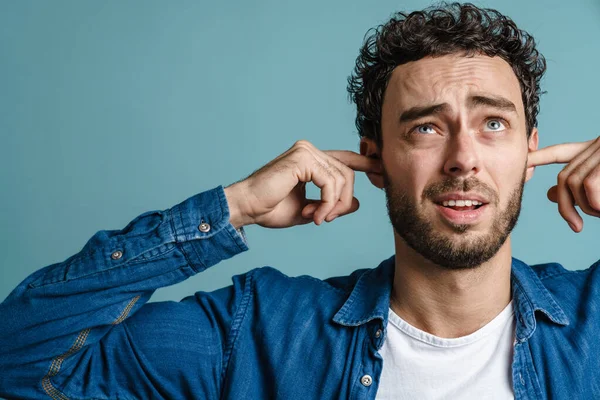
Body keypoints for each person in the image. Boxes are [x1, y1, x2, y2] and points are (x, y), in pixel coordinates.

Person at [1, 2, 599, 399]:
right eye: (425, 128)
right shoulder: (259, 328)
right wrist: (232, 208)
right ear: (376, 160)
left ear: (530, 149)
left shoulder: (593, 324)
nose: (464, 158)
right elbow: (21, 358)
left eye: (494, 124)